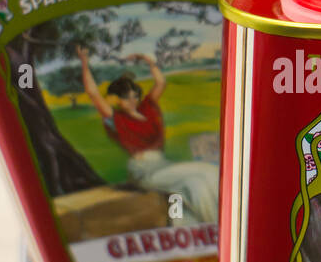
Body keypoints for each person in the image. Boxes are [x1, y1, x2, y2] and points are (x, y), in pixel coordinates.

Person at [75, 45, 217, 223]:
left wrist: (150, 62)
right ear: (118, 100)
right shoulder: (117, 119)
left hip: (162, 164)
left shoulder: (148, 108)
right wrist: (84, 63)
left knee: (200, 181)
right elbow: (93, 93)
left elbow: (161, 83)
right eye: (127, 98)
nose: (132, 101)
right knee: (197, 180)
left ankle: (200, 228)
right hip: (143, 170)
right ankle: (208, 227)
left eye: (135, 96)